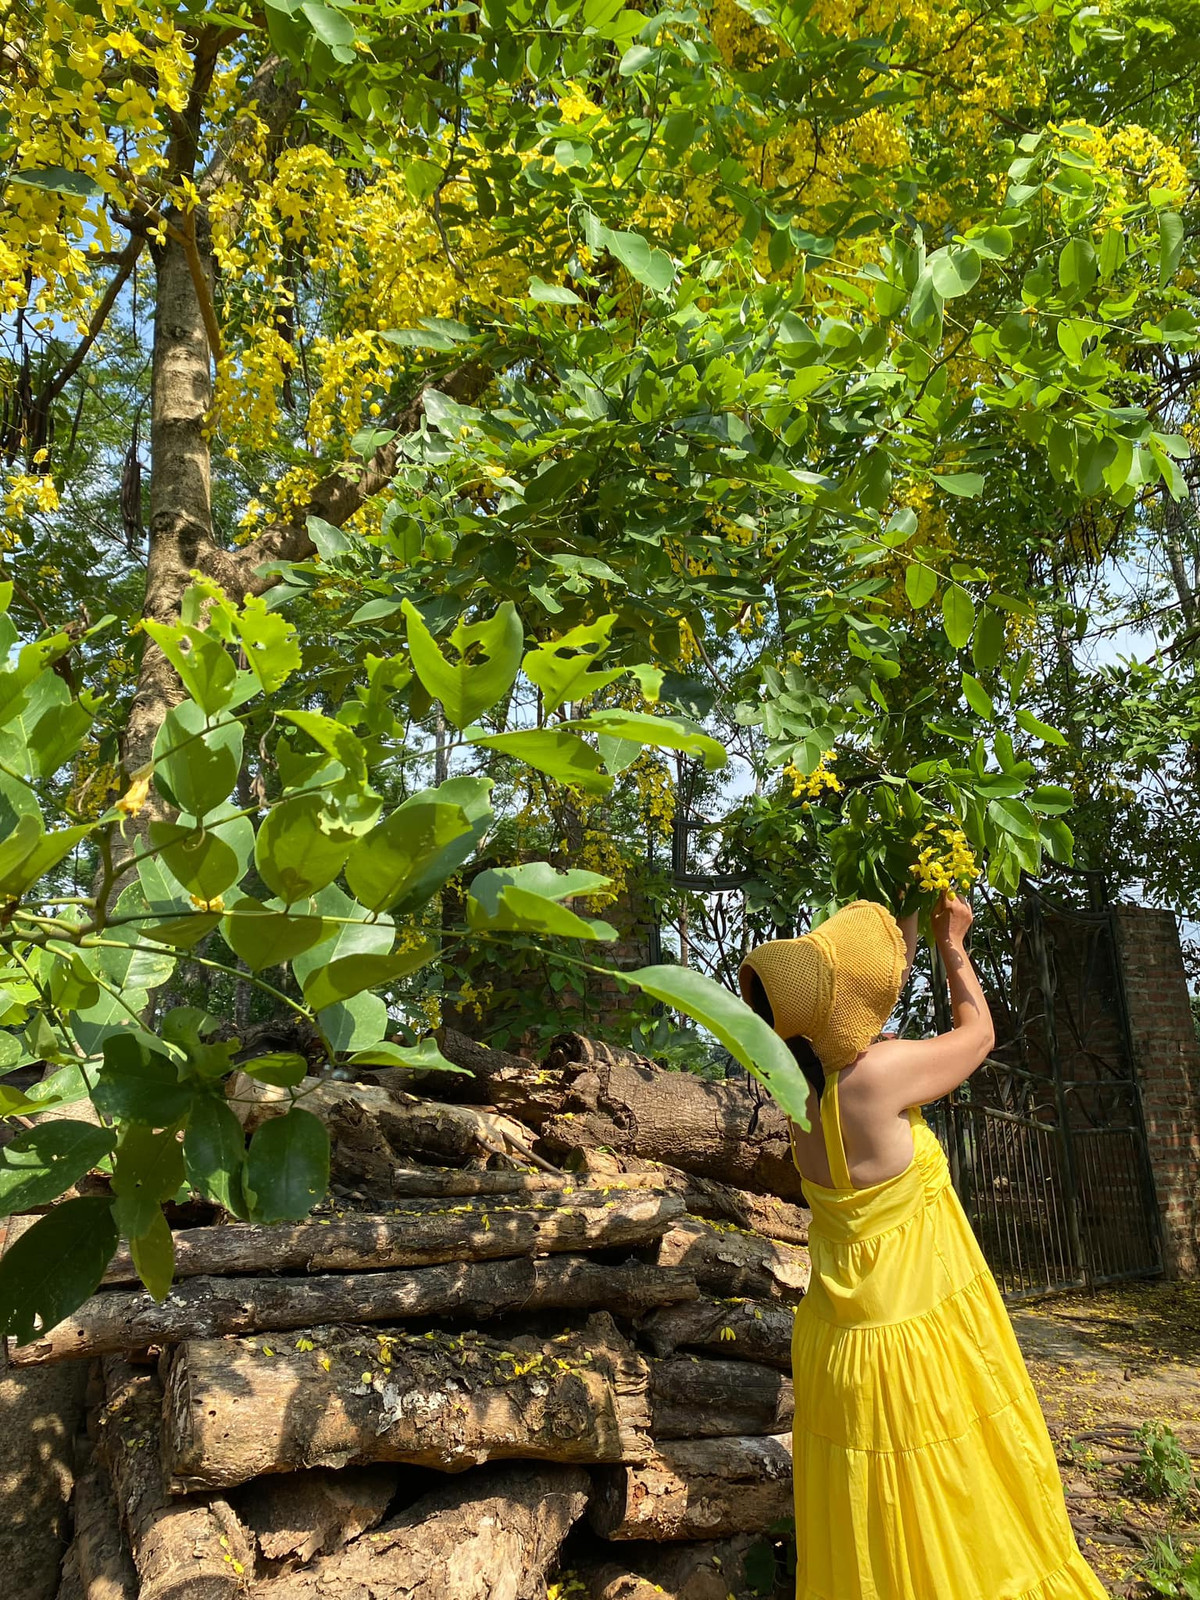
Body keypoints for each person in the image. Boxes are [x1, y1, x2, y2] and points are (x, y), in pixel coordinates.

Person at [739, 893, 1107, 1600]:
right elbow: (977, 1035)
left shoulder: (804, 1101)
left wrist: (910, 907)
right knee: (953, 1505)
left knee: (879, 1524)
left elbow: (876, 993)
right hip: (910, 1351)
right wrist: (954, 945)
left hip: (839, 1344)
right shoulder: (879, 1078)